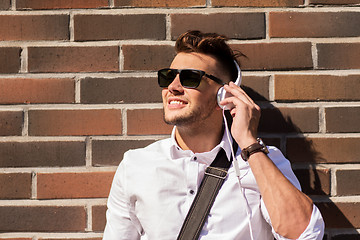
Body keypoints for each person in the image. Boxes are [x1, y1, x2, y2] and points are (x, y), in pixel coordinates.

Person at [103, 30, 324, 240]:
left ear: (224, 94)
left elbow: (304, 235)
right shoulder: (135, 165)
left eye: (190, 78)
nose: (173, 86)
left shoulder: (262, 160)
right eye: (168, 76)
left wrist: (249, 143)